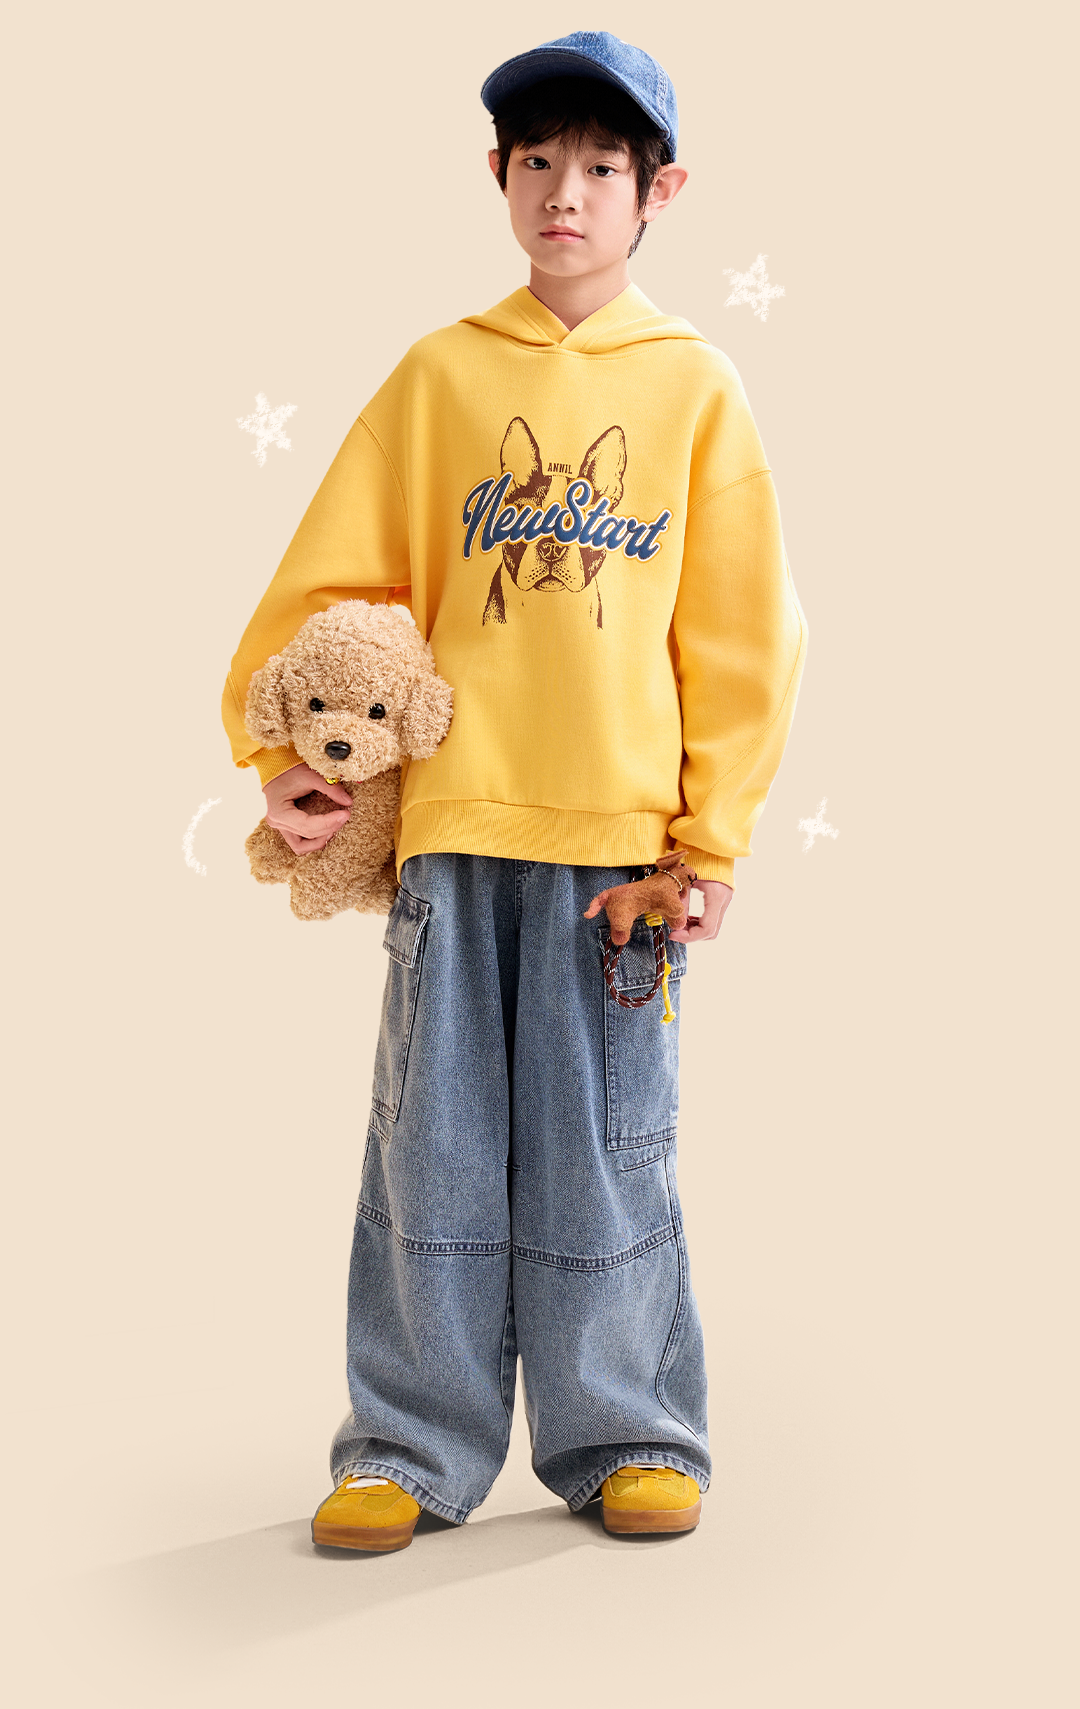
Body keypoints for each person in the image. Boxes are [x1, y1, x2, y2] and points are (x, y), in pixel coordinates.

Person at [222, 30, 807, 1551]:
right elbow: (332, 584)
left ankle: (629, 1433)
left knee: (608, 1152)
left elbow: (743, 636)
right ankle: (407, 1445)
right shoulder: (439, 377)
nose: (566, 193)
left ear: (659, 191)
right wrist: (286, 754)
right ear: (497, 174)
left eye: (602, 167)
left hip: (620, 858)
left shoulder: (695, 388)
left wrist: (711, 839)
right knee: (433, 1148)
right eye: (538, 161)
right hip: (455, 839)